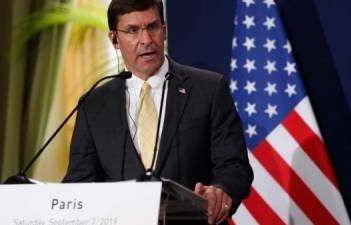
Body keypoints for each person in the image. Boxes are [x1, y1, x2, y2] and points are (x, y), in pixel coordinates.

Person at [63, 0, 253, 224]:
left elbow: (235, 167)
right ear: (114, 39)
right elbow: (79, 183)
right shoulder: (94, 104)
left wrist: (221, 191)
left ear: (164, 31)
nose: (146, 40)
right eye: (132, 30)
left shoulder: (208, 89)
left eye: (152, 27)